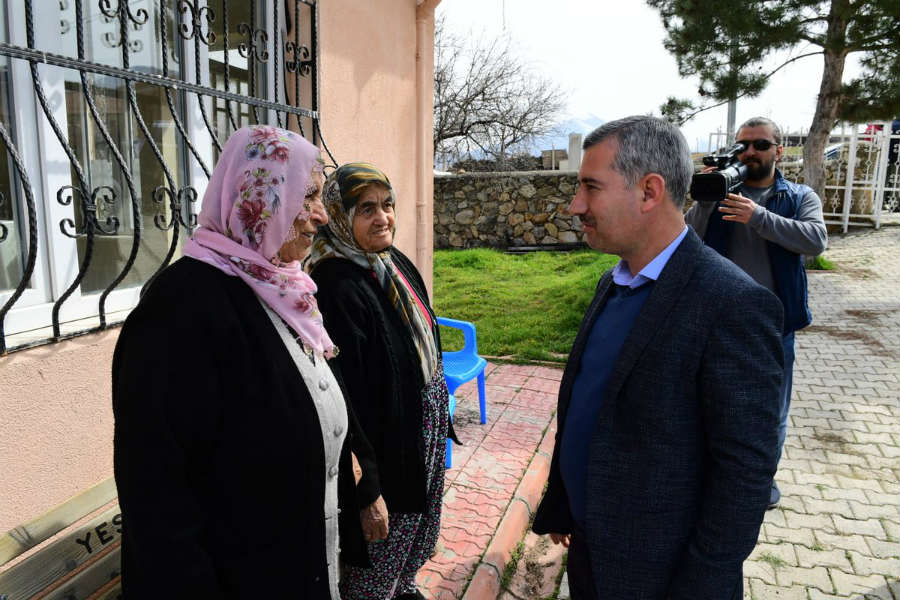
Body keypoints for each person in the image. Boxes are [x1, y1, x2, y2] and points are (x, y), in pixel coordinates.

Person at [112, 125, 383, 598]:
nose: (321, 215)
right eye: (308, 196)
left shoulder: (284, 289)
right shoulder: (180, 311)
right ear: (258, 194)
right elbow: (158, 501)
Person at [531, 115, 784, 599]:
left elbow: (745, 475)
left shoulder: (732, 304)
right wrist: (564, 506)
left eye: (590, 187)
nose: (574, 206)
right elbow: (588, 405)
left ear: (649, 191)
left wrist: (700, 584)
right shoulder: (614, 281)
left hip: (664, 577)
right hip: (592, 556)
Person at [307, 162, 456, 600]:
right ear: (339, 214)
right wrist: (366, 483)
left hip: (419, 431)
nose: (383, 217)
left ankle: (404, 588)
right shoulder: (335, 286)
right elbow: (344, 396)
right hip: (385, 451)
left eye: (387, 205)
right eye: (366, 208)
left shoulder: (392, 263)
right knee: (379, 554)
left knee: (413, 539)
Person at [685, 116, 827, 508]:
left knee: (770, 411)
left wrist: (757, 216)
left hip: (773, 327)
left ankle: (760, 483)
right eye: (743, 145)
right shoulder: (721, 191)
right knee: (710, 403)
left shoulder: (798, 197)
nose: (750, 152)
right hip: (717, 323)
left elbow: (816, 241)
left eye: (761, 145)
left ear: (779, 151)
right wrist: (705, 200)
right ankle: (713, 477)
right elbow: (686, 239)